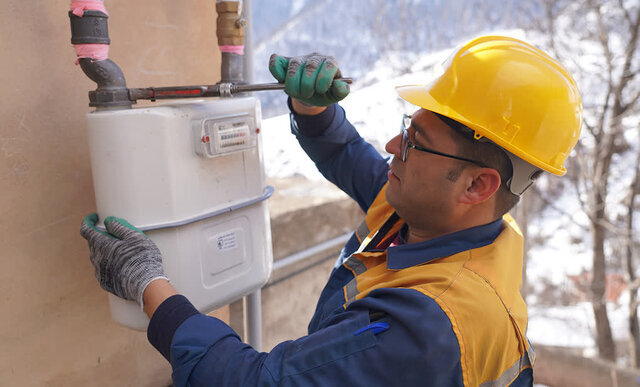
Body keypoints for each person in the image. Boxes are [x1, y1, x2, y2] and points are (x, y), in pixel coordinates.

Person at [80, 35, 583, 386]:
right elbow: (348, 156)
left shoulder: (430, 325)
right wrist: (313, 108)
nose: (393, 146)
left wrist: (147, 283)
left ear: (476, 185)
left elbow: (253, 381)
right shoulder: (444, 218)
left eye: (415, 140)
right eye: (405, 128)